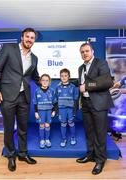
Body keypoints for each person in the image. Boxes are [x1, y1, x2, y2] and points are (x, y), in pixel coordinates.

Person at [0, 28, 40, 172]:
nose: (29, 39)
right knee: (9, 127)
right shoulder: (8, 48)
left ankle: (23, 154)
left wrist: (45, 82)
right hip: (7, 95)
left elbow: (34, 76)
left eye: (32, 38)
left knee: (23, 127)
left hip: (24, 97)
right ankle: (11, 155)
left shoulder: (34, 58)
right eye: (27, 36)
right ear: (22, 37)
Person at [76, 43, 114, 175]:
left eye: (87, 51)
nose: (84, 54)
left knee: (100, 133)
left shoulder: (100, 63)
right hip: (86, 104)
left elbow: (107, 81)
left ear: (92, 51)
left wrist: (86, 86)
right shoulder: (81, 68)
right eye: (82, 52)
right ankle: (91, 154)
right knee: (89, 132)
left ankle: (100, 160)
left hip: (99, 104)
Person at [55, 68, 79, 147]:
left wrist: (75, 112)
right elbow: (56, 100)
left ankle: (72, 137)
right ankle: (63, 138)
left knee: (71, 123)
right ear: (60, 77)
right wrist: (57, 111)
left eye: (66, 76)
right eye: (62, 76)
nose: (64, 77)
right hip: (61, 109)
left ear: (69, 76)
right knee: (63, 123)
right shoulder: (58, 87)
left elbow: (76, 100)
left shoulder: (73, 87)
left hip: (70, 109)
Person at [34, 74, 56, 149]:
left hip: (49, 111)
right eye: (43, 80)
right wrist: (36, 112)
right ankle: (42, 140)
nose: (45, 82)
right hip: (40, 111)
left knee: (47, 125)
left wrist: (54, 111)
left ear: (49, 82)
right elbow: (35, 103)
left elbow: (55, 102)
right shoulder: (37, 90)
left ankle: (47, 139)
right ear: (40, 81)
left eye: (47, 80)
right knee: (41, 125)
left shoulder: (52, 91)